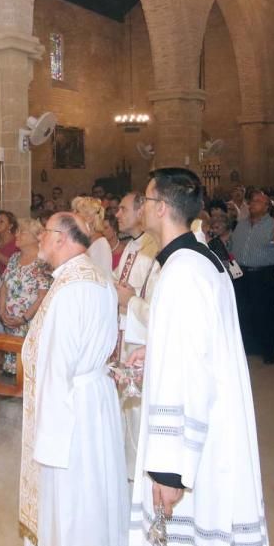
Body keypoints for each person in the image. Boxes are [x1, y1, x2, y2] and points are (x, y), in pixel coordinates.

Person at [126, 167, 269, 546]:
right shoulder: (199, 257)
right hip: (214, 425)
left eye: (147, 200)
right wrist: (156, 351)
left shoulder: (183, 271)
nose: (142, 208)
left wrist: (169, 471)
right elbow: (203, 344)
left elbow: (187, 375)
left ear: (162, 208)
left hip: (198, 446)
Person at [19, 212, 126, 546]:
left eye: (44, 233)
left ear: (62, 238)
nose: (39, 238)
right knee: (95, 493)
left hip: (69, 409)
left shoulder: (67, 290)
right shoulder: (98, 278)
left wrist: (45, 437)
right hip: (94, 400)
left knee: (73, 500)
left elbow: (55, 366)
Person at [112, 190, 160, 471]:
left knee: (140, 411)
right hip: (123, 335)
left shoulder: (156, 251)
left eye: (123, 208)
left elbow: (158, 308)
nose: (117, 214)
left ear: (141, 211)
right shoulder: (131, 247)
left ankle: (141, 471)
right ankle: (126, 469)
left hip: (142, 339)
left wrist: (128, 300)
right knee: (126, 409)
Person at [231, 189, 274, 363]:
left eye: (258, 201)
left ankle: (268, 351)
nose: (253, 204)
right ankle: (247, 347)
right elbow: (234, 245)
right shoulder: (241, 224)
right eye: (252, 201)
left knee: (264, 314)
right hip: (240, 273)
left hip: (262, 274)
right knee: (243, 312)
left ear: (267, 207)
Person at [0, 218, 51, 375]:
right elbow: (4, 287)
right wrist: (2, 312)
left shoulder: (43, 262)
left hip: (30, 324)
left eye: (22, 232)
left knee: (30, 371)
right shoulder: (14, 258)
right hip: (10, 322)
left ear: (36, 237)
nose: (17, 234)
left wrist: (24, 319)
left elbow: (43, 296)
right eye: (18, 231)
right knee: (12, 372)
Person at [72, 196, 113, 279]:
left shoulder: (101, 244)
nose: (73, 215)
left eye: (77, 212)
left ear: (89, 217)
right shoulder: (81, 240)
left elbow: (104, 276)